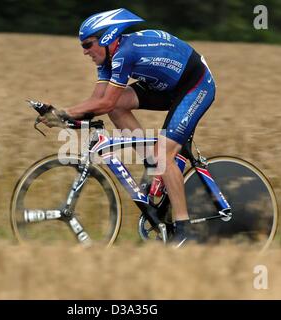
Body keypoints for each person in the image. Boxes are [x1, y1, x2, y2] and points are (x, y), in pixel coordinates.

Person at [40, 8, 216, 247]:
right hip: (165, 86)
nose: (84, 52)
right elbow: (98, 101)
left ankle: (185, 232)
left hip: (195, 86)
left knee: (163, 155)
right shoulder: (107, 59)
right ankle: (154, 168)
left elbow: (104, 101)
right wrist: (66, 118)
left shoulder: (125, 53)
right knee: (117, 109)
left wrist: (63, 112)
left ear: (105, 38)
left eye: (88, 44)